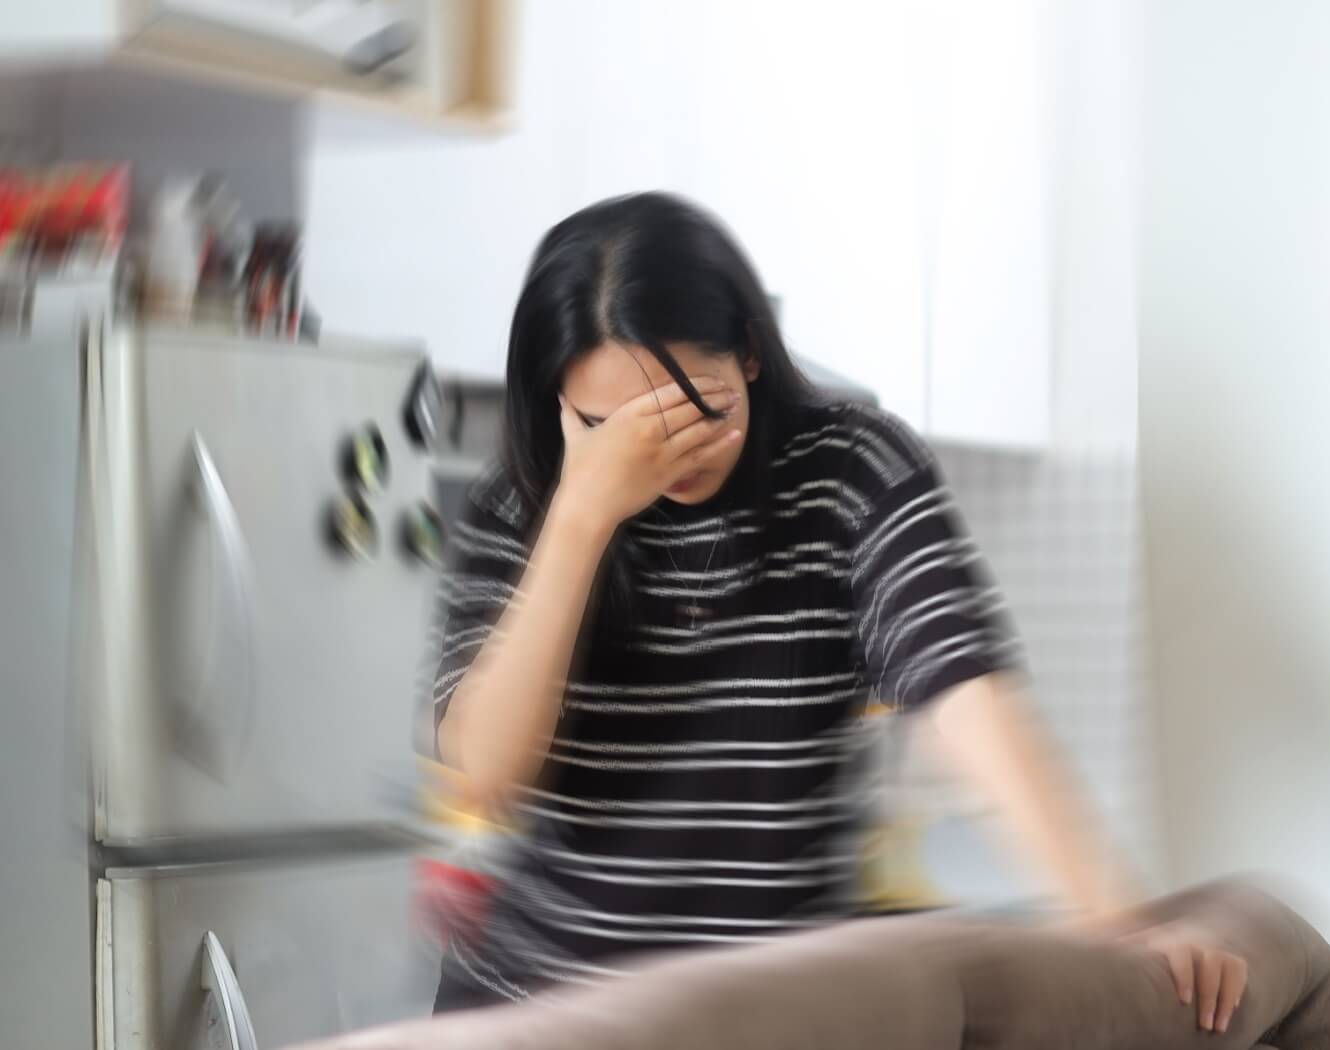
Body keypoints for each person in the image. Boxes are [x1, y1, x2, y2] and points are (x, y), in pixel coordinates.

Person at [429, 192, 1248, 1031]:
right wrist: (580, 516)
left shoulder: (851, 471)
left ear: (748, 352)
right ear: (559, 409)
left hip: (772, 1020)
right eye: (608, 427)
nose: (659, 459)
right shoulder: (520, 505)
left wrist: (1116, 923)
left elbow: (965, 697)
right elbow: (487, 771)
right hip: (542, 1013)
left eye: (691, 415)